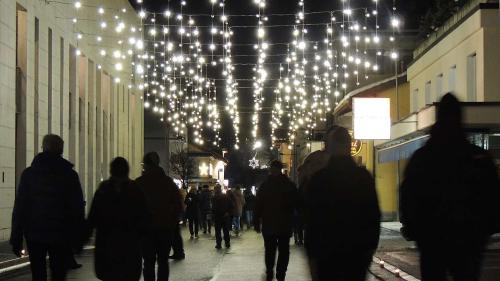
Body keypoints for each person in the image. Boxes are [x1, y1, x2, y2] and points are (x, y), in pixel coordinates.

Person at [400, 93, 500, 281]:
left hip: (431, 238)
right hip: (469, 238)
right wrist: (487, 228)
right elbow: (492, 196)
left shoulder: (422, 158)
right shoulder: (477, 158)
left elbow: (408, 194)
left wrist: (412, 227)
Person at [305, 126, 381, 281]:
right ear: (349, 146)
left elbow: (312, 220)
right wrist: (369, 248)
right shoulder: (363, 178)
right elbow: (373, 215)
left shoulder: (319, 179)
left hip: (327, 255)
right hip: (356, 254)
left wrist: (312, 256)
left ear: (329, 147)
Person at [10, 134, 85, 281]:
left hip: (34, 233)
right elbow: (77, 208)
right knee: (58, 273)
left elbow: (20, 208)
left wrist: (16, 238)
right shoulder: (70, 175)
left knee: (38, 274)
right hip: (61, 234)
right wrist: (79, 237)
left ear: (43, 148)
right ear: (61, 150)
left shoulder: (29, 174)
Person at [86, 157, 149, 281]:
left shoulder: (103, 190)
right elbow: (144, 218)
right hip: (130, 247)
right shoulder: (135, 190)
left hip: (107, 247)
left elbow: (93, 218)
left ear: (111, 171)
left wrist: (81, 239)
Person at [135, 152, 183, 281]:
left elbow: (133, 208)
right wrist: (172, 222)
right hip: (165, 229)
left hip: (146, 230)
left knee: (148, 263)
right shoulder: (168, 183)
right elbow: (179, 205)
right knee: (163, 262)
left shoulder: (139, 183)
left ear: (145, 165)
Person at [254, 160, 298, 281]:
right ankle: (280, 274)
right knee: (284, 250)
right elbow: (296, 203)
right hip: (284, 223)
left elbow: (258, 204)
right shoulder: (289, 185)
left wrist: (256, 221)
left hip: (269, 223)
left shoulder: (265, 186)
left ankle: (270, 272)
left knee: (270, 250)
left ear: (271, 169)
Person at [212, 184, 233, 249]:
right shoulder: (225, 196)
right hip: (224, 216)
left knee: (218, 231)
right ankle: (227, 243)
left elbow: (213, 208)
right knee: (225, 231)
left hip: (218, 217)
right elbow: (232, 205)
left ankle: (219, 244)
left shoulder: (214, 197)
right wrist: (228, 212)